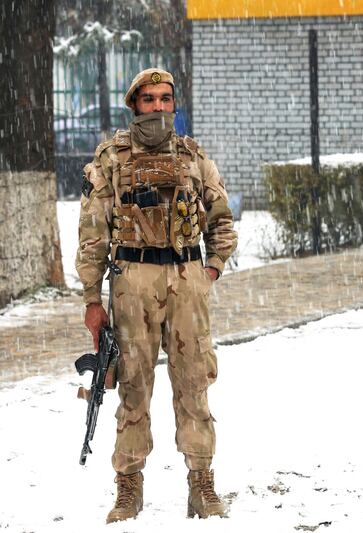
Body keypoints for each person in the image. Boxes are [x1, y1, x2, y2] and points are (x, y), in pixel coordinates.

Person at [76, 68, 238, 523]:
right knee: (132, 385)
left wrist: (209, 269)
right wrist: (92, 299)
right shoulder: (111, 158)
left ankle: (201, 484)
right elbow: (92, 234)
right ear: (134, 106)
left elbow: (222, 219)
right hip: (133, 282)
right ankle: (128, 487)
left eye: (166, 98)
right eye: (149, 100)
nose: (159, 107)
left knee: (194, 383)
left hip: (186, 280)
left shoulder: (192, 156)